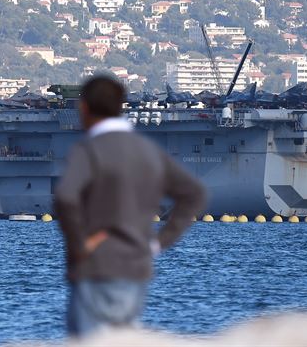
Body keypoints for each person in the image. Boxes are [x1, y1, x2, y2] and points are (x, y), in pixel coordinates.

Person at [54, 76, 206, 337]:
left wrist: (80, 245)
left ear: (83, 108)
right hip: (137, 267)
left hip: (97, 266)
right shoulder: (148, 149)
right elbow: (195, 193)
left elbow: (65, 197)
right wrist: (159, 243)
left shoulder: (89, 149)